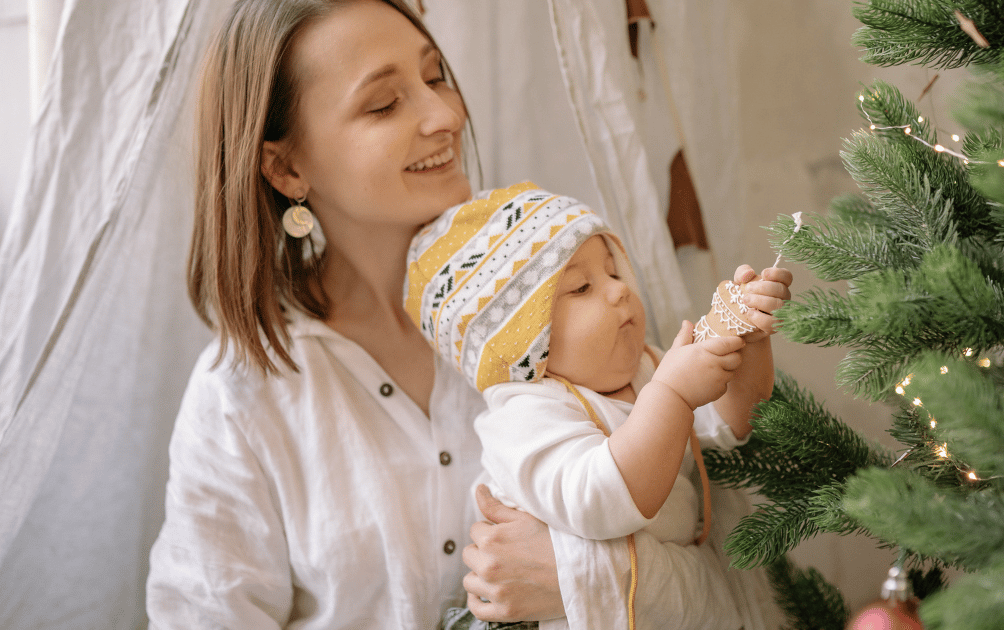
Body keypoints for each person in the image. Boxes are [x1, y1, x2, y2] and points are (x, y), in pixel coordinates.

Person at [146, 0, 787, 628]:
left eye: (435, 77)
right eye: (384, 103)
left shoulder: (561, 299)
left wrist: (590, 579)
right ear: (286, 167)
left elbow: (734, 573)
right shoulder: (240, 395)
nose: (444, 114)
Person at [405, 182, 794, 629]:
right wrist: (672, 395)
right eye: (582, 287)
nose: (617, 291)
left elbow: (731, 422)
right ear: (521, 343)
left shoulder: (643, 368)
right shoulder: (523, 415)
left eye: (613, 272)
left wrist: (748, 339)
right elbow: (602, 500)